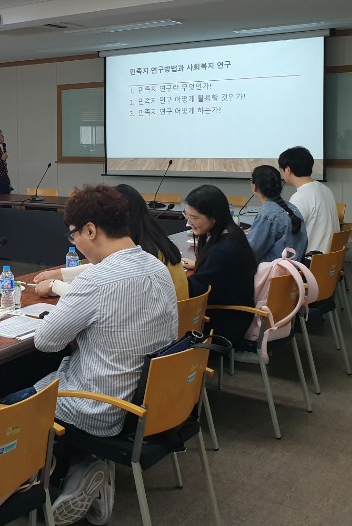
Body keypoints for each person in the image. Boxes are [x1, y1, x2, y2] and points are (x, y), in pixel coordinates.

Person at [30, 185, 177, 526]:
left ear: (91, 230)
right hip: (150, 403)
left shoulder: (96, 280)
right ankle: (83, 467)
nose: (75, 243)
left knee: (12, 403)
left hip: (101, 408)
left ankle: (50, 482)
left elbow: (45, 342)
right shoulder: (156, 265)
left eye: (74, 235)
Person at [33, 183, 189, 300]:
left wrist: (55, 285)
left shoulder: (144, 258)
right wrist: (60, 274)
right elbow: (107, 268)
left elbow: (96, 294)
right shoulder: (153, 240)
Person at [181, 184, 257, 345]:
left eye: (194, 218)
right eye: (187, 216)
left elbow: (196, 292)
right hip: (229, 311)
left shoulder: (224, 248)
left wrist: (172, 276)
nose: (189, 222)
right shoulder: (231, 232)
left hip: (226, 322)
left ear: (214, 217)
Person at [278, 146, 340, 254]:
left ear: (287, 170)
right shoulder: (325, 189)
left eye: (281, 170)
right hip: (327, 257)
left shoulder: (300, 197)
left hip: (310, 259)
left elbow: (288, 234)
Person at [246, 165, 307, 262]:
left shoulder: (267, 215)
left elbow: (249, 253)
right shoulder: (292, 209)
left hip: (273, 270)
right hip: (294, 269)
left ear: (255, 187)